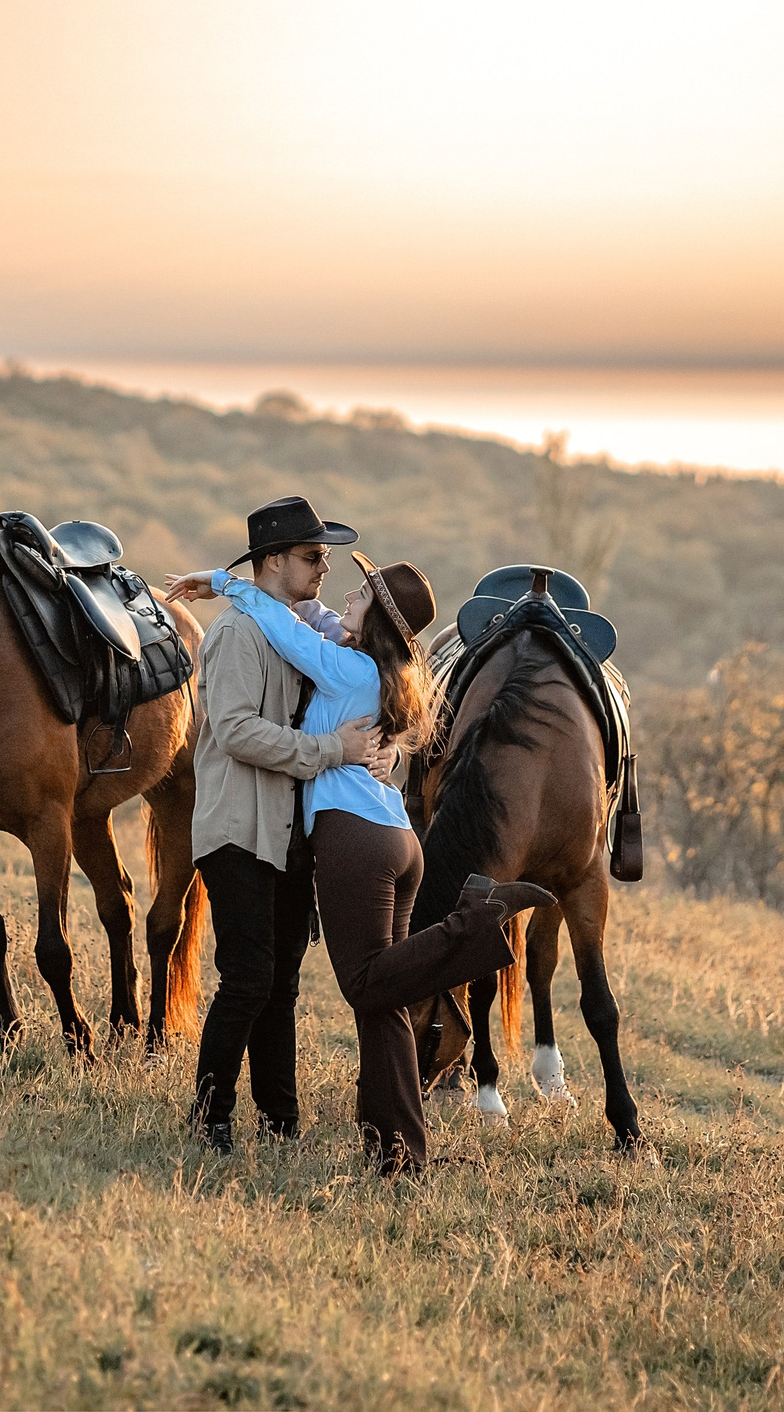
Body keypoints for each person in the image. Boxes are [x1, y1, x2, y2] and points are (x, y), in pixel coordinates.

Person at [168, 545, 556, 1174]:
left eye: (361, 592)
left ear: (376, 616)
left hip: (357, 840)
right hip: (397, 840)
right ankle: (397, 1148)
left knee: (365, 982)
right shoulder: (375, 667)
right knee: (385, 1005)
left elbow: (276, 623)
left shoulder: (347, 670)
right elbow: (312, 613)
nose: (343, 593)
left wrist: (220, 581)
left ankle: (477, 923)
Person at [184, 495, 391, 1153]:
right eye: (312, 555)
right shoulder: (239, 633)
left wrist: (386, 750)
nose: (323, 566)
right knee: (248, 976)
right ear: (272, 561)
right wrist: (334, 753)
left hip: (288, 833)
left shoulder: (300, 631)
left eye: (325, 556)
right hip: (240, 826)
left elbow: (367, 686)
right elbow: (239, 730)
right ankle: (209, 1119)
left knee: (281, 984)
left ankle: (280, 1122)